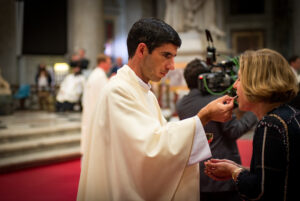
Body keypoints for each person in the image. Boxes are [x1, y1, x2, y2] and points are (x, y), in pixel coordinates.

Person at [77, 17, 235, 201]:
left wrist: (194, 128)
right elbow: (149, 152)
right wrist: (202, 118)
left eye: (174, 57)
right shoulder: (117, 91)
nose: (172, 66)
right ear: (142, 50)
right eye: (166, 55)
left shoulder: (145, 93)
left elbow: (158, 136)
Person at [204, 49, 300, 201]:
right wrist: (240, 169)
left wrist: (233, 171)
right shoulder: (289, 114)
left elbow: (259, 192)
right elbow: (276, 176)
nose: (235, 85)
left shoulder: (270, 124)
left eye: (240, 79)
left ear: (256, 83)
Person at [176, 58, 257, 201]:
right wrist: (255, 112)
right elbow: (234, 131)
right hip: (222, 173)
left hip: (198, 176)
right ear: (207, 78)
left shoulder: (181, 104)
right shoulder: (217, 101)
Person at [81, 54, 111, 155]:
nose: (110, 66)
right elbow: (105, 96)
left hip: (90, 110)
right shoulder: (99, 76)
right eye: (108, 63)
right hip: (95, 112)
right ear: (102, 63)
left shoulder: (95, 74)